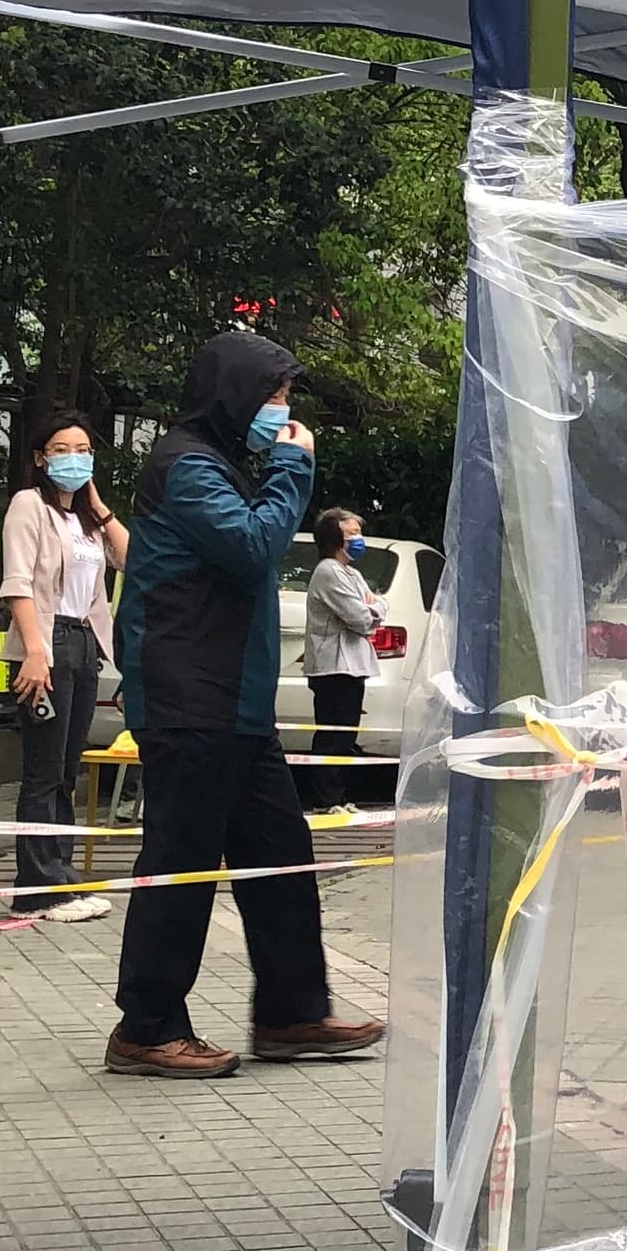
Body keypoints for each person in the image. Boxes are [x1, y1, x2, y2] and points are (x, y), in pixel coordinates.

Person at [107, 329, 385, 1078]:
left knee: (280, 858)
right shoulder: (186, 466)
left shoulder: (217, 465)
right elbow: (254, 546)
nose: (285, 411)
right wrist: (295, 463)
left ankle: (294, 1014)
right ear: (233, 395)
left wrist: (278, 465)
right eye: (275, 396)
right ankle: (147, 1026)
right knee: (181, 862)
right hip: (190, 698)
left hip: (234, 705)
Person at [0, 419, 127, 925]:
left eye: (84, 449)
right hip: (45, 643)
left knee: (68, 772)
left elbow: (133, 559)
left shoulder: (87, 522)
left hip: (84, 643)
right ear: (39, 458)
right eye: (61, 449)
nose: (74, 458)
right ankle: (35, 888)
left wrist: (100, 507)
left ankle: (62, 876)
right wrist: (35, 651)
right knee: (43, 771)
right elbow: (18, 581)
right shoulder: (28, 506)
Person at [299, 507, 380, 811]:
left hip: (353, 666)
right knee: (333, 734)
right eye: (352, 534)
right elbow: (359, 617)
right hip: (333, 665)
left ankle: (340, 796)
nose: (359, 540)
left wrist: (374, 608)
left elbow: (377, 605)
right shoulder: (328, 571)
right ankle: (326, 798)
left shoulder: (352, 573)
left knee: (347, 734)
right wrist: (371, 610)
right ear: (334, 538)